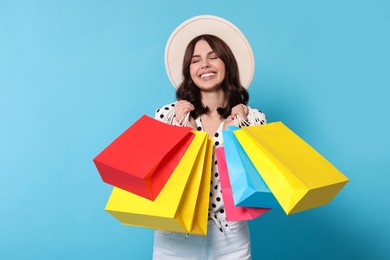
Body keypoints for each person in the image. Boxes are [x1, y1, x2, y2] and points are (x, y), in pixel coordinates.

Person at [153, 15, 266, 260]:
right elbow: (156, 174)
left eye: (213, 56)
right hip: (175, 233)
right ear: (189, 71)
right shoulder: (166, 115)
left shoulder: (255, 119)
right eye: (196, 60)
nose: (205, 64)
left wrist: (237, 129)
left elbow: (260, 179)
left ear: (227, 63)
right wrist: (182, 129)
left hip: (231, 234)